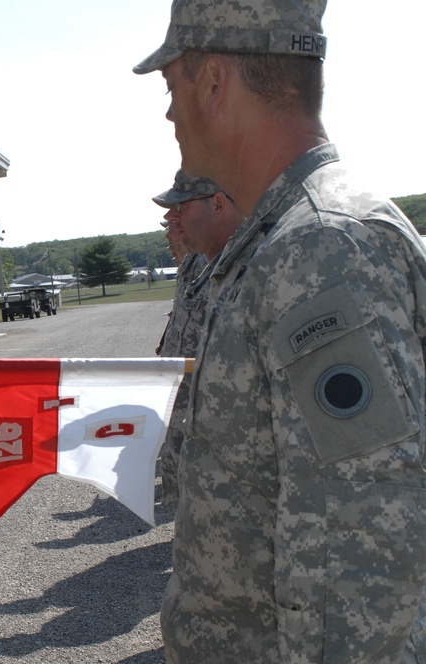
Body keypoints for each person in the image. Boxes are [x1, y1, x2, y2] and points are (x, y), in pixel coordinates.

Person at [135, 1, 426, 661]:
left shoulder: (319, 247)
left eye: (171, 86)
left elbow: (359, 552)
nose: (170, 114)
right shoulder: (277, 242)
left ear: (213, 83)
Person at [151, 171, 225, 512]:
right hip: (184, 408)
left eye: (180, 205)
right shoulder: (197, 263)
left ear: (219, 203)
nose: (170, 218)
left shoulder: (236, 263)